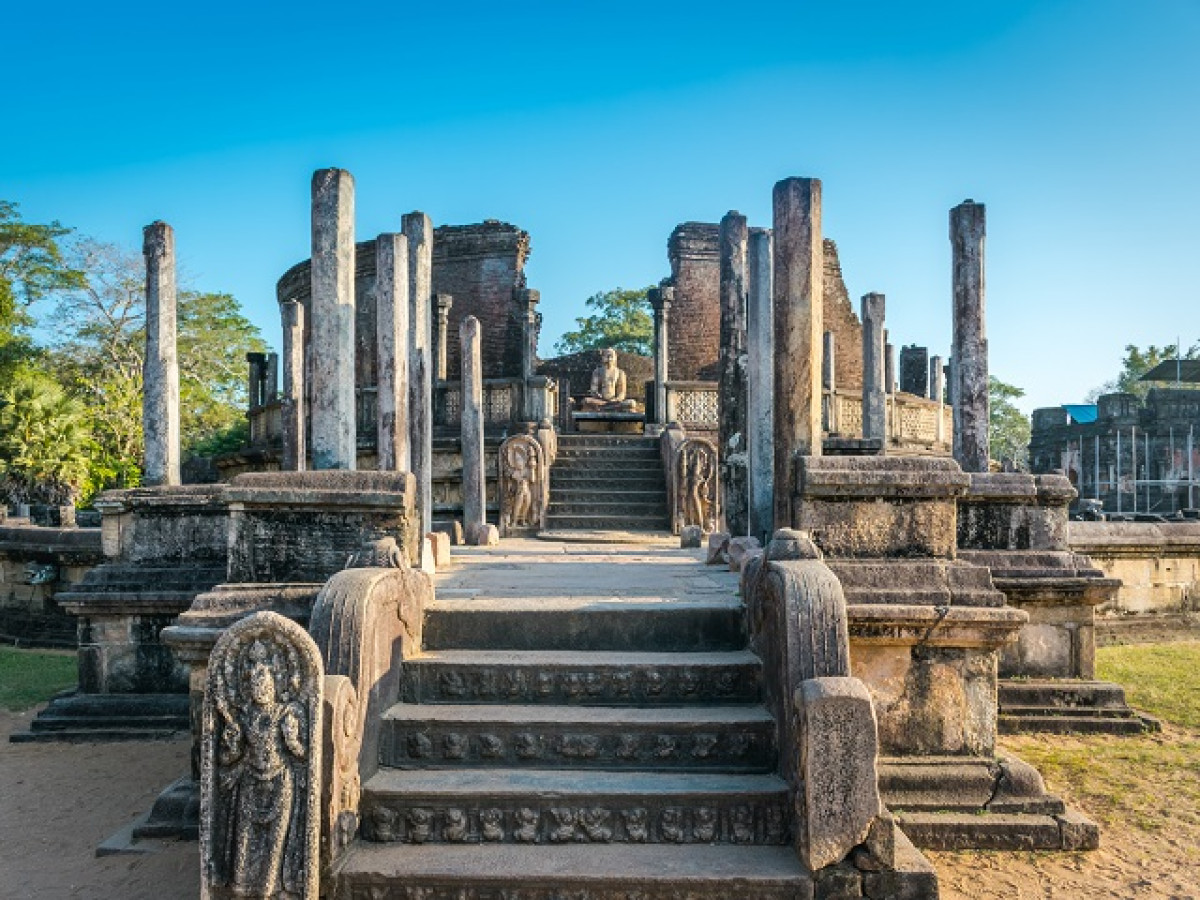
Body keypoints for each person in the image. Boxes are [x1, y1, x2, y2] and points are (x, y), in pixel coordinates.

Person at [579, 348, 639, 412]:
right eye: (607, 356)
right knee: (586, 401)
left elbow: (622, 392)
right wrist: (597, 394)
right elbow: (593, 390)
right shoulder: (597, 372)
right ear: (603, 357)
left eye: (611, 356)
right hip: (600, 401)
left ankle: (604, 408)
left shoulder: (620, 372)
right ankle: (609, 408)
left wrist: (616, 399)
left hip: (615, 402)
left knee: (632, 403)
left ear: (615, 358)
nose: (609, 358)